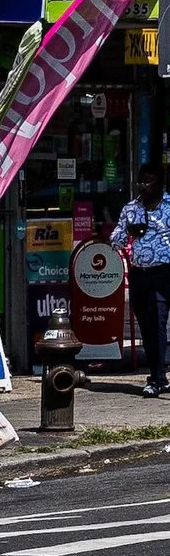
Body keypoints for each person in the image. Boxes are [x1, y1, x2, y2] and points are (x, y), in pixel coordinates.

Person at [109, 166, 170, 394]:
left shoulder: (169, 206)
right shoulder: (131, 208)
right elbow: (115, 237)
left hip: (164, 273)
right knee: (147, 326)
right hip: (140, 273)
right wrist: (128, 232)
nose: (144, 186)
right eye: (141, 182)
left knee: (157, 323)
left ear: (160, 184)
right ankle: (158, 375)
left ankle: (157, 379)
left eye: (149, 181)